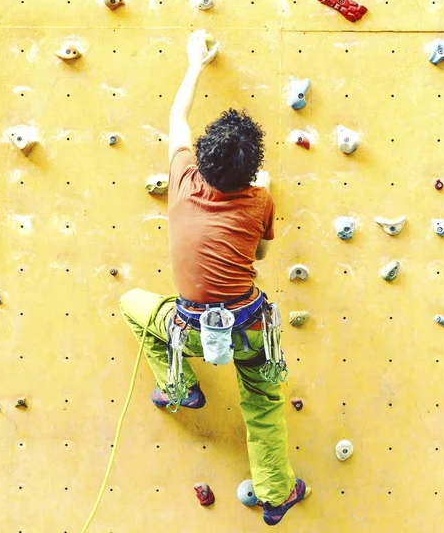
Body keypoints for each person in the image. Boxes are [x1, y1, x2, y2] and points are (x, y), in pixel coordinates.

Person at [119, 29, 311, 526]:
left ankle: (180, 388)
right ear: (252, 173)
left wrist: (195, 64)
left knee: (134, 306)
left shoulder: (182, 180)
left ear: (200, 159)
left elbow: (176, 119)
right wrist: (262, 193)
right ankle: (275, 494)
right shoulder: (260, 201)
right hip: (250, 330)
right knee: (264, 405)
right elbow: (262, 254)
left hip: (193, 333)